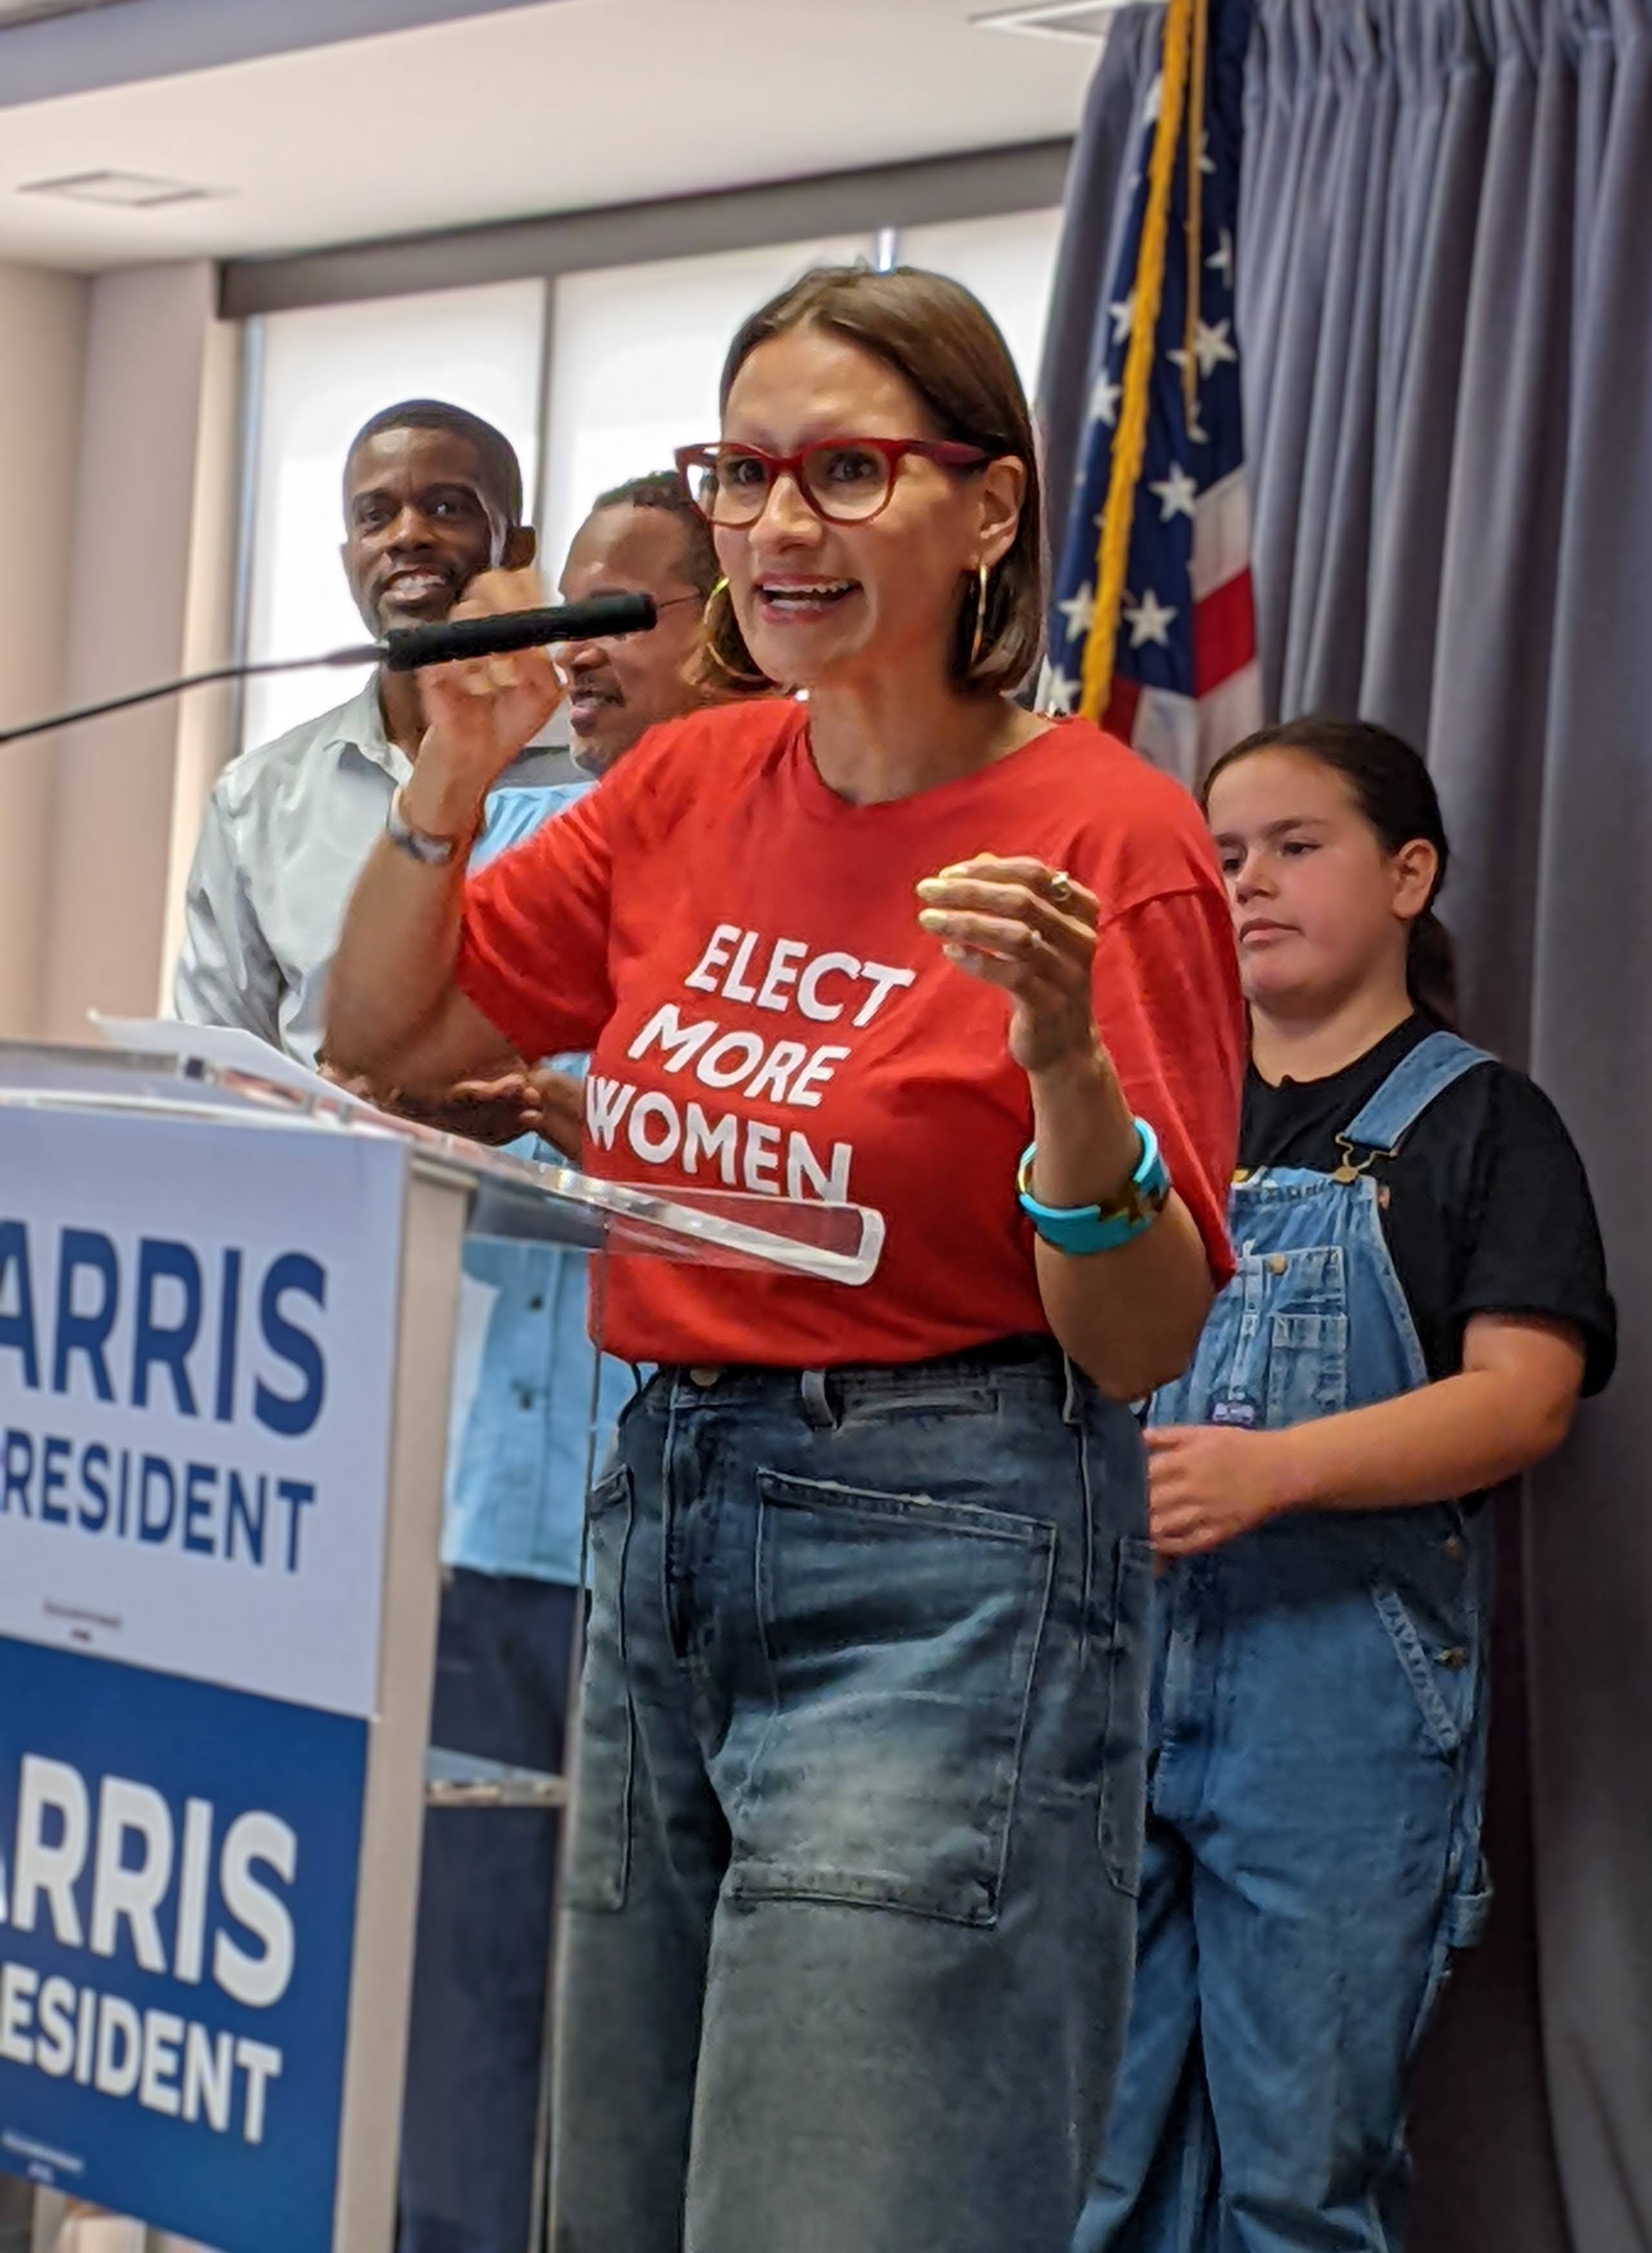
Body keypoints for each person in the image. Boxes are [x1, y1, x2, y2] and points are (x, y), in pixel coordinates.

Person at [322, 262, 1249, 2253]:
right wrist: (451, 773)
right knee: (628, 2207)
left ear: (991, 507)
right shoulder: (686, 782)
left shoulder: (1111, 835)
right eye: (741, 474)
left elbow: (1145, 1330)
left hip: (951, 1555)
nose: (774, 528)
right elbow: (388, 1044)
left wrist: (1069, 1069)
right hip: (665, 1514)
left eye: (844, 471)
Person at [172, 407, 726, 2253]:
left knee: (670, 2005)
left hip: (715, 1491)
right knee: (469, 1976)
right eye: (577, 613)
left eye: (632, 615)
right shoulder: (472, 813)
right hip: (480, 1471)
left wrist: (575, 1110)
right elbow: (333, 1058)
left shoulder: (710, 824)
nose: (585, 652)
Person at [1076, 718, 1616, 2253]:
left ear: (1406, 872)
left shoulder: (1481, 1124)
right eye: (1222, 853)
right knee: (1080, 2163)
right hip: (1106, 1680)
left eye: (1291, 846)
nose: (1246, 881)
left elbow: (1524, 1397)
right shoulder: (1138, 1115)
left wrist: (1274, 1469)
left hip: (1339, 1708)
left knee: (1296, 2181)